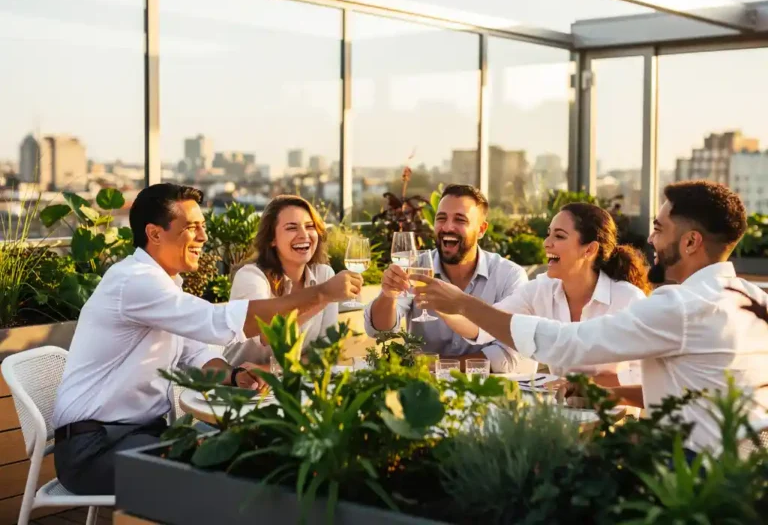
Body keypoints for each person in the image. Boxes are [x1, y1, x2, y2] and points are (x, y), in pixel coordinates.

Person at [412, 181, 768, 453]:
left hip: (683, 477)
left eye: (659, 229)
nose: (649, 238)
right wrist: (611, 395)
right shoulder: (754, 300)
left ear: (690, 243)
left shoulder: (680, 306)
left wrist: (463, 303)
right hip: (740, 479)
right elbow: (697, 393)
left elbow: (570, 345)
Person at [52, 184, 362, 495]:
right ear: (155, 233)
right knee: (230, 471)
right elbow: (219, 322)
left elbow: (196, 356)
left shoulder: (166, 285)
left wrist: (236, 375)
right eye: (192, 227)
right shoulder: (135, 282)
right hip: (94, 450)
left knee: (250, 454)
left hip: (144, 436)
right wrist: (322, 293)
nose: (204, 237)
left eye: (203, 226)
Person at [438, 202, 649, 385]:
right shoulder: (541, 289)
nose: (547, 243)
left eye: (559, 236)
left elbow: (643, 376)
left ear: (589, 250)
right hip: (563, 411)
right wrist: (440, 303)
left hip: (616, 417)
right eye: (549, 233)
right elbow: (484, 326)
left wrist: (587, 386)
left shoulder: (628, 299)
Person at [364, 184, 529, 373]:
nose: (448, 227)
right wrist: (388, 295)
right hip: (424, 392)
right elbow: (379, 331)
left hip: (486, 391)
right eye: (441, 218)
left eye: (460, 220)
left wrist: (436, 366)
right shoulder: (415, 268)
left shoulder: (509, 276)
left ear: (481, 229)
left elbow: (509, 356)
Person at [225, 195, 338, 366]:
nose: (304, 235)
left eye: (310, 226)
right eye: (292, 228)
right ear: (272, 239)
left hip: (292, 383)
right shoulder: (251, 277)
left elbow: (327, 349)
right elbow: (268, 335)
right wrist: (323, 297)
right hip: (239, 386)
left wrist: (270, 371)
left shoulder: (324, 275)